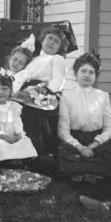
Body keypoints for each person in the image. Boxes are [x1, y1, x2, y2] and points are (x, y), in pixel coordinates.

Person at [57, 53, 111, 182]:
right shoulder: (66, 96)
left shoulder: (102, 96)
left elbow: (109, 128)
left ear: (96, 76)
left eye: (91, 72)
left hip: (96, 139)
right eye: (83, 71)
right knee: (63, 150)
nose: (87, 75)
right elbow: (63, 130)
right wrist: (79, 147)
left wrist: (95, 143)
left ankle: (84, 172)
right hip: (75, 139)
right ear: (76, 74)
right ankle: (95, 172)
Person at [12, 25, 68, 156]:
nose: (52, 42)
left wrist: (34, 92)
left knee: (28, 119)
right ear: (43, 40)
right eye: (50, 38)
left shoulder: (57, 59)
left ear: (59, 48)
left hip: (40, 97)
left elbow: (57, 84)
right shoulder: (34, 58)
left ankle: (33, 156)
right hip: (19, 93)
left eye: (56, 41)